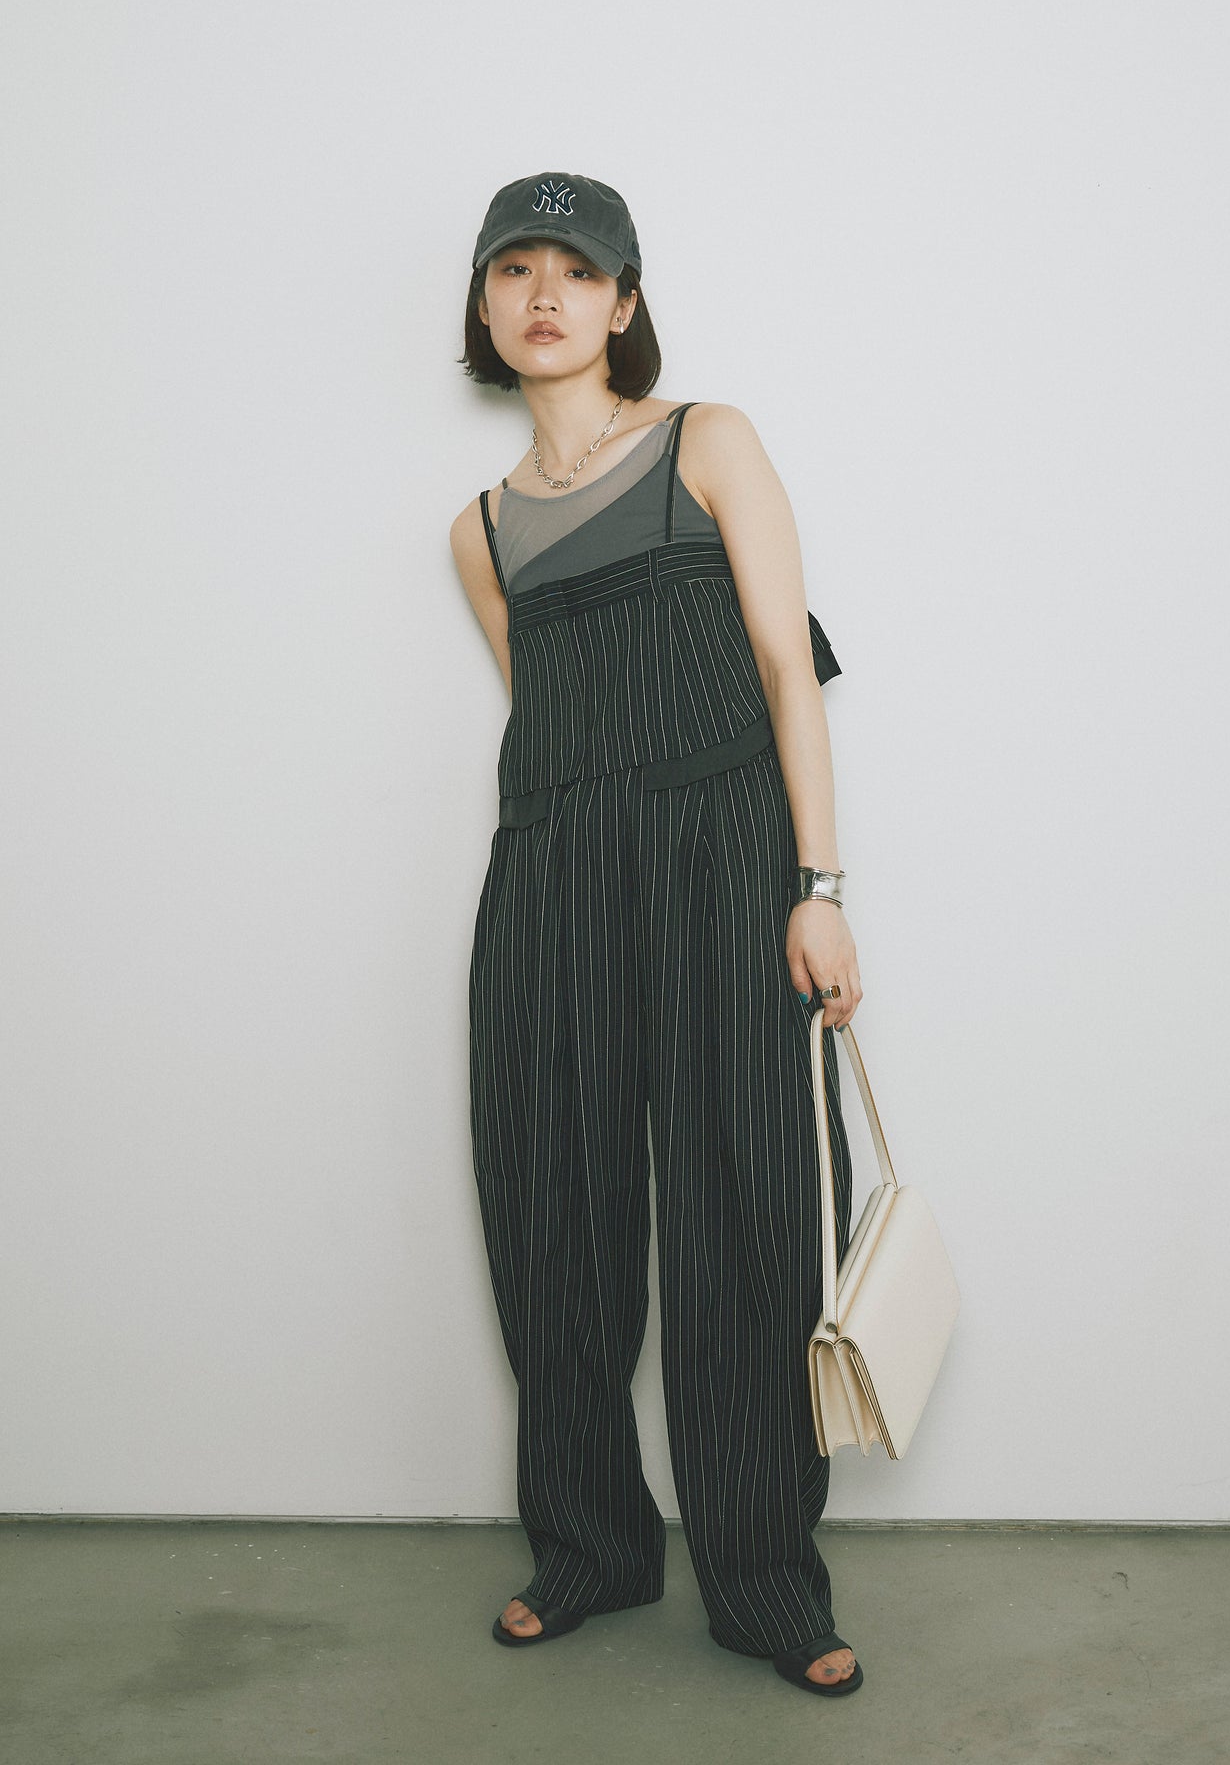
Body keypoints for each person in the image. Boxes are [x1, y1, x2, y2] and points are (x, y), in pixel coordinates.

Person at [449, 172, 865, 1699]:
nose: (545, 296)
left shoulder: (709, 443)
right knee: (550, 1213)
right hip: (551, 879)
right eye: (515, 270)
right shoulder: (480, 531)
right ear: (485, 306)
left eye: (577, 271)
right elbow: (548, 719)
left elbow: (784, 670)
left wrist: (816, 887)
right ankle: (588, 1552)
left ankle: (762, 1582)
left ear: (623, 303)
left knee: (747, 1210)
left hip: (724, 863)